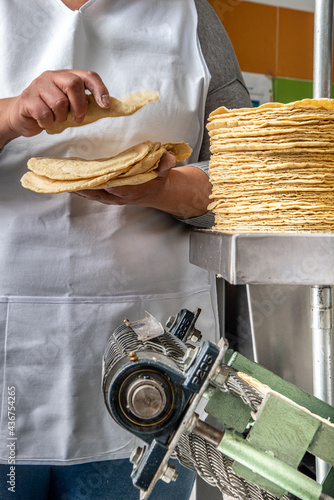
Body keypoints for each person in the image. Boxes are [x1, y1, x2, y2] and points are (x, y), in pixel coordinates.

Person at [0, 0, 251, 499]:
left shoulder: (190, 16)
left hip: (154, 373)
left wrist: (159, 189)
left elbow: (247, 174)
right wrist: (11, 116)